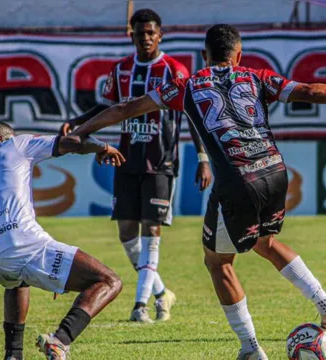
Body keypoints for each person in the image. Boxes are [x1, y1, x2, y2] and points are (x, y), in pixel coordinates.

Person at [72, 24, 326, 359]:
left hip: (237, 179)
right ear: (239, 53)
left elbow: (125, 109)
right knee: (266, 242)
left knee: (217, 261)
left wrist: (81, 129)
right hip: (276, 171)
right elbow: (311, 90)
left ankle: (250, 348)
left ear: (205, 55)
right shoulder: (256, 77)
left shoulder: (186, 86)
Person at [60, 8, 212, 323]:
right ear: (132, 35)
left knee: (151, 230)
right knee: (127, 234)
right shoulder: (121, 70)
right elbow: (107, 108)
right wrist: (77, 122)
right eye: (140, 33)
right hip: (126, 159)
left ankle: (141, 305)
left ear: (160, 35)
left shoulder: (175, 70)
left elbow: (193, 116)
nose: (145, 39)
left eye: (151, 33)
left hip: (161, 162)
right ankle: (160, 292)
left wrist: (202, 158)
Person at [0, 121, 126, 360]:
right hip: (21, 244)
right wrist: (102, 147)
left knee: (16, 281)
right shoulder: (16, 145)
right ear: (0, 139)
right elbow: (72, 142)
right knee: (109, 281)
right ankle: (60, 341)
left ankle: (13, 354)